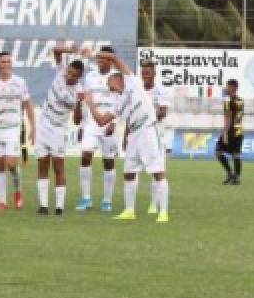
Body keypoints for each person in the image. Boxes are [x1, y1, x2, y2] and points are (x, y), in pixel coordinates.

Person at [82, 51, 169, 222]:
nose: (109, 87)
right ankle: (129, 211)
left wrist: (92, 54)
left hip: (148, 129)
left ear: (118, 79)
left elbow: (114, 58)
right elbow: (101, 121)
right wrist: (91, 104)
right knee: (129, 172)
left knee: (157, 171)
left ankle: (163, 212)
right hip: (134, 134)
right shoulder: (118, 102)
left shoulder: (133, 82)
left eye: (110, 83)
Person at [0, 51, 36, 212]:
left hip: (13, 128)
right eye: (3, 62)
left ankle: (18, 192)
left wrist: (33, 127)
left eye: (8, 61)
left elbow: (28, 105)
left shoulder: (20, 82)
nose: (6, 64)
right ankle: (2, 201)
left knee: (11, 163)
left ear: (11, 64)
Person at [33, 46, 85, 216]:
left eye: (73, 75)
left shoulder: (79, 92)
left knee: (58, 166)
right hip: (43, 124)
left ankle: (60, 207)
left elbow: (77, 120)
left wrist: (79, 103)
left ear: (79, 77)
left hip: (58, 129)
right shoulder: (61, 71)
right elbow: (55, 50)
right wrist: (70, 49)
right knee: (42, 163)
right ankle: (43, 205)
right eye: (69, 72)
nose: (69, 76)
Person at [77, 46, 120, 212]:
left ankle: (107, 200)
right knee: (86, 155)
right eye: (99, 58)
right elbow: (86, 100)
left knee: (108, 161)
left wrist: (114, 122)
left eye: (105, 58)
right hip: (91, 123)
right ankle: (86, 198)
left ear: (111, 60)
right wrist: (82, 124)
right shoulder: (90, 77)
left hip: (109, 121)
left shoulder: (117, 78)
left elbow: (121, 101)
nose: (101, 61)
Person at [140, 59, 172, 214]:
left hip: (156, 134)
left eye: (147, 72)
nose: (145, 74)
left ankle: (154, 204)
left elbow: (162, 112)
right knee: (133, 170)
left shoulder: (161, 91)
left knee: (156, 170)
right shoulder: (137, 90)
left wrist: (147, 119)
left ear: (154, 74)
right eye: (143, 72)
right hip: (138, 135)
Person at [216, 79, 244, 185]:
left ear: (233, 88)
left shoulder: (227, 101)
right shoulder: (240, 100)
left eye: (227, 86)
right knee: (236, 154)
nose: (226, 88)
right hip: (239, 130)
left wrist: (225, 133)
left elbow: (228, 117)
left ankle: (230, 174)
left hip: (231, 130)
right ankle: (236, 177)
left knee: (218, 151)